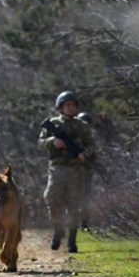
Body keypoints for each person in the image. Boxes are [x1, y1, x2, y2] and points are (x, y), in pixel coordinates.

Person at [38, 91, 96, 253]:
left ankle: (72, 239)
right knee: (52, 199)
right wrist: (52, 141)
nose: (70, 108)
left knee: (74, 205)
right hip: (56, 168)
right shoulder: (52, 123)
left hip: (76, 170)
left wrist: (85, 153)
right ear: (60, 107)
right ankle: (58, 229)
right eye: (67, 105)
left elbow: (92, 144)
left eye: (73, 105)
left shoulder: (82, 126)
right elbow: (40, 143)